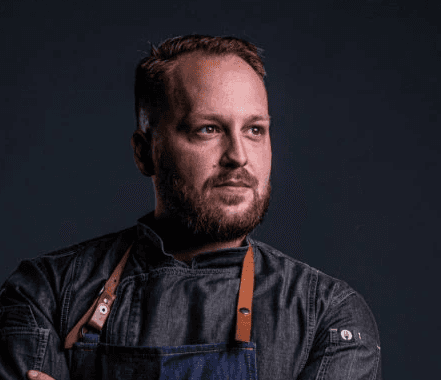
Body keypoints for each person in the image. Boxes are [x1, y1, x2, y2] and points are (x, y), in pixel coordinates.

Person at [0, 34, 382, 379]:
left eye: (254, 130)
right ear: (145, 153)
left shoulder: (327, 315)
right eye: (208, 129)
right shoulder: (46, 292)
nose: (238, 156)